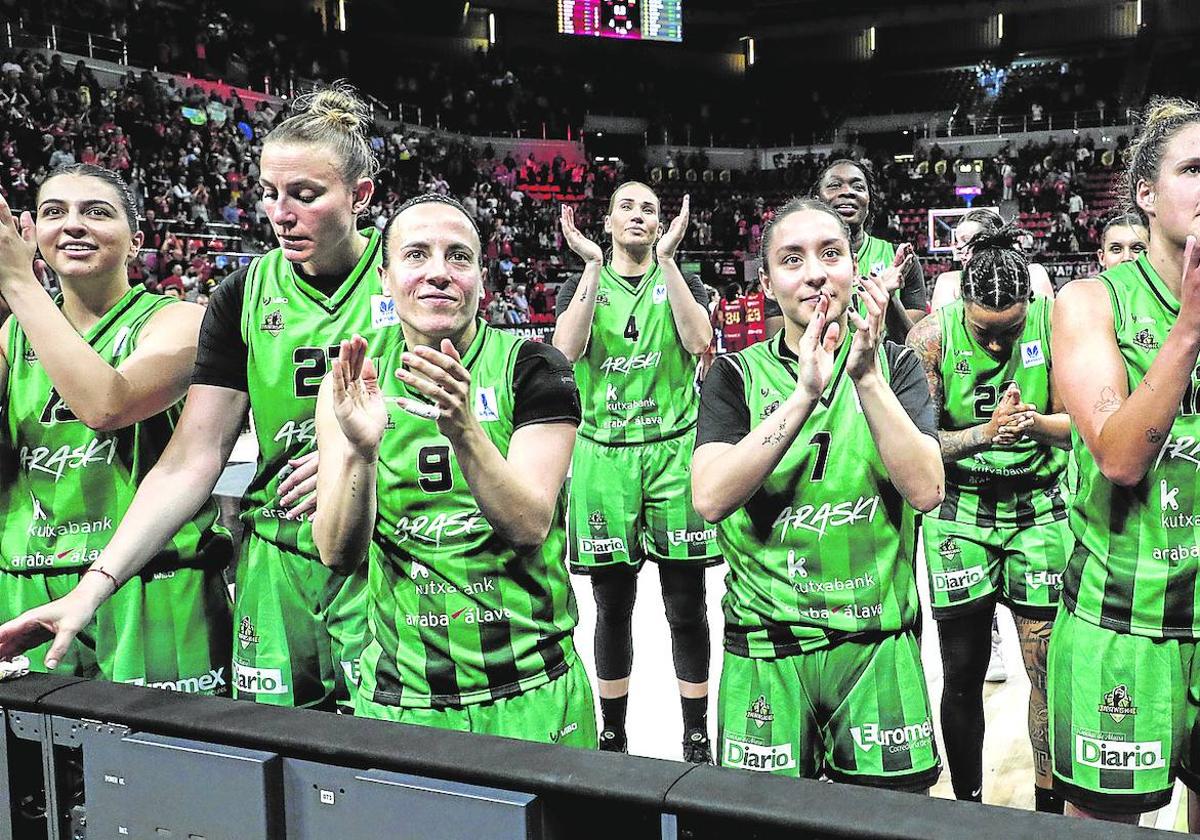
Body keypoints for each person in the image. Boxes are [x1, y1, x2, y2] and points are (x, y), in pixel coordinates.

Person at [0, 84, 383, 712]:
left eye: (305, 196)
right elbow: (190, 459)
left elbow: (479, 412)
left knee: (398, 767)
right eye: (269, 194)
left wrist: (370, 457)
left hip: (386, 552)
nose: (280, 214)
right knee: (274, 774)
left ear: (360, 196)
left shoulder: (412, 274)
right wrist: (97, 584)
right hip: (277, 556)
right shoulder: (243, 293)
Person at [313, 194, 595, 746]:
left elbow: (530, 525)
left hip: (531, 687)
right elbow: (337, 554)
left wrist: (464, 428)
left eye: (459, 257)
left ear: (482, 281)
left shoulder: (534, 367)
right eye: (416, 254)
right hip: (404, 698)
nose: (438, 272)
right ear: (385, 276)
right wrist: (362, 455)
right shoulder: (349, 381)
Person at [693, 197, 943, 787]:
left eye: (831, 254)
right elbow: (711, 499)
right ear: (766, 282)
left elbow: (928, 489)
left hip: (877, 642)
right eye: (792, 259)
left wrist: (865, 377)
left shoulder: (897, 367)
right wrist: (804, 395)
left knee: (888, 829)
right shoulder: (734, 375)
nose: (815, 273)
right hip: (765, 647)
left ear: (854, 267)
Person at [0, 164, 231, 691]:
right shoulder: (14, 332)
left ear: (136, 241)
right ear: (32, 233)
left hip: (149, 581)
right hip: (25, 580)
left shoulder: (179, 321)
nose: (73, 224)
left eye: (96, 212)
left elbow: (107, 405)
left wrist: (17, 282)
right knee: (37, 769)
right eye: (55, 212)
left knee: (159, 765)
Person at [1048, 97, 1200, 825]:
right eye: (1194, 168)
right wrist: (1191, 329)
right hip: (1123, 624)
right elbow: (1117, 458)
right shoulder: (1089, 302)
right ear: (1145, 192)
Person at [906, 226, 1073, 812]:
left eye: (1012, 328)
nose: (1000, 347)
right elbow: (916, 447)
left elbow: (1088, 423)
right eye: (986, 332)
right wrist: (986, 434)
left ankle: (1049, 810)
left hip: (1040, 510)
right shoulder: (931, 337)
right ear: (961, 310)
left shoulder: (1057, 323)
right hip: (961, 515)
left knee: (1047, 671)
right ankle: (969, 804)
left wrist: (1035, 427)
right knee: (962, 671)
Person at [553, 184, 719, 762]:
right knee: (612, 606)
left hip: (673, 453)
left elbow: (702, 344)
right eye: (626, 206)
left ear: (662, 223)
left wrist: (670, 262)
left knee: (686, 604)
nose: (639, 216)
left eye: (649, 208)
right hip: (605, 458)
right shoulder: (582, 281)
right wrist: (593, 267)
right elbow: (565, 353)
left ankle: (695, 734)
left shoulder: (682, 278)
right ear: (606, 220)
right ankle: (613, 733)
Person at [811, 159, 926, 340]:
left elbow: (916, 345)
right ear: (817, 201)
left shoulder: (901, 261)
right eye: (834, 185)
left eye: (858, 187)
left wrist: (889, 297)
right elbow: (781, 340)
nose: (848, 192)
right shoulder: (799, 263)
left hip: (883, 367)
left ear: (868, 200)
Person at [930, 210, 1056, 310]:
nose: (957, 247)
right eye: (957, 241)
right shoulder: (949, 283)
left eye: (966, 240)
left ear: (993, 240)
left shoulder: (1033, 275)